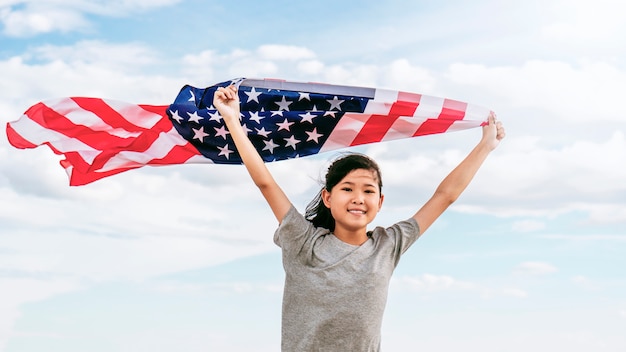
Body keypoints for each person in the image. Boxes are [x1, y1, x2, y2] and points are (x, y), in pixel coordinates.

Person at [213, 85, 506, 352]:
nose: (358, 198)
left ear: (379, 202)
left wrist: (485, 146)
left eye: (368, 191)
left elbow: (445, 196)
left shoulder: (387, 245)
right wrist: (231, 120)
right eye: (347, 189)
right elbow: (266, 183)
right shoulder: (303, 242)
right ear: (328, 198)